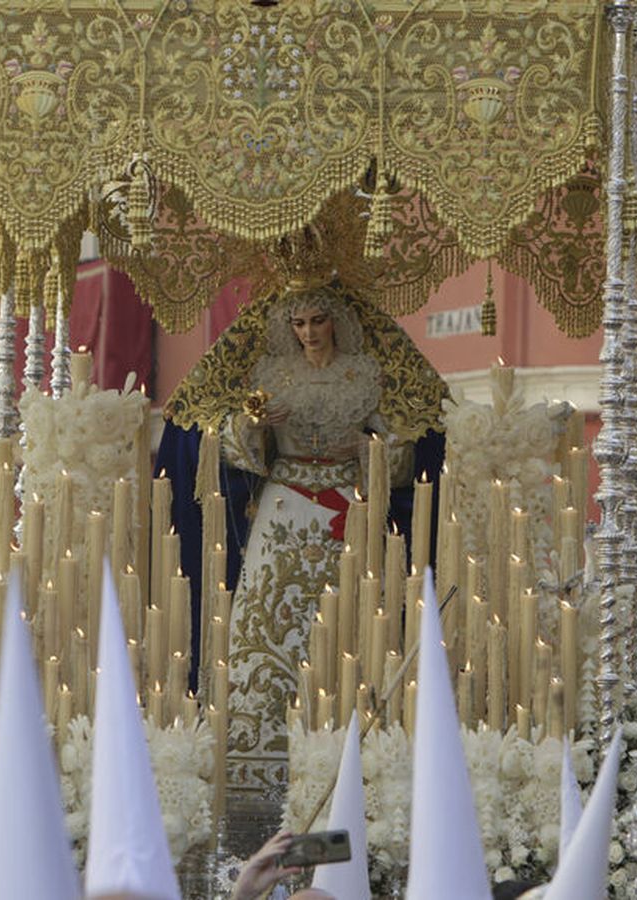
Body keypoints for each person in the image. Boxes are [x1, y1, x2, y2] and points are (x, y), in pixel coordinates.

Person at [168, 282, 443, 848]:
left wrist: (367, 450)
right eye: (299, 323)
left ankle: (358, 775)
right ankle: (253, 789)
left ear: (337, 320)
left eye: (319, 320)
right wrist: (257, 427)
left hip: (348, 507)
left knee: (355, 626)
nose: (310, 332)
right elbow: (229, 445)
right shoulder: (272, 373)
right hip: (286, 502)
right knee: (261, 627)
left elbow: (402, 451)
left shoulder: (364, 374)